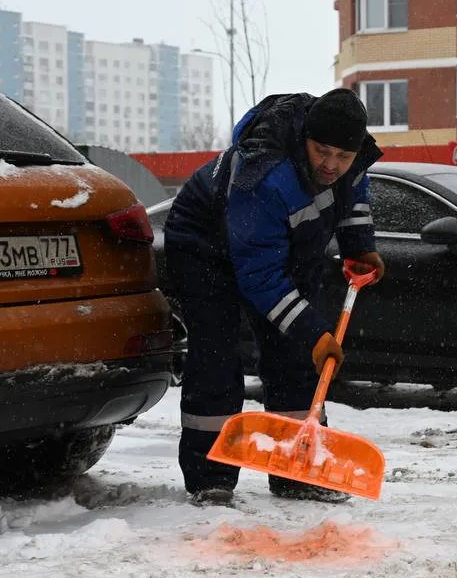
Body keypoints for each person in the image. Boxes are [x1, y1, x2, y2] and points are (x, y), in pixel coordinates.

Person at [163, 89, 384, 505]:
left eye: (343, 155)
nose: (331, 165)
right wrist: (315, 335)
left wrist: (359, 246)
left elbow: (354, 199)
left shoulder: (354, 164)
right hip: (204, 247)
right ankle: (210, 477)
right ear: (306, 139)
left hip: (280, 246)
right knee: (217, 356)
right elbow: (260, 278)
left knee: (295, 356)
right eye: (322, 151)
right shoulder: (264, 176)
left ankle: (294, 470)